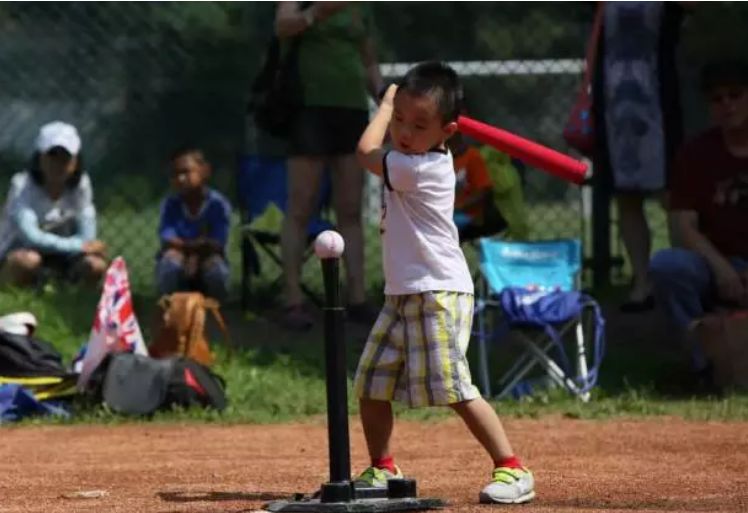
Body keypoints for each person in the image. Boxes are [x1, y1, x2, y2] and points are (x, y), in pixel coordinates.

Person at [353, 62, 534, 504]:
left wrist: (383, 107)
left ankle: (513, 468)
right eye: (399, 121)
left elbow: (363, 151)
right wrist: (395, 108)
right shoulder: (410, 158)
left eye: (419, 125)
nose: (404, 132)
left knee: (453, 389)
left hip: (438, 293)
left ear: (447, 131)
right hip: (401, 294)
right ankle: (382, 469)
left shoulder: (423, 167)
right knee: (371, 384)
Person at [275, 1, 383, 330]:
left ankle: (357, 298)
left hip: (351, 111)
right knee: (300, 207)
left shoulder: (360, 7)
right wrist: (315, 13)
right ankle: (292, 298)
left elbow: (368, 59)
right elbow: (282, 26)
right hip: (308, 110)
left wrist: (386, 100)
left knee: (350, 207)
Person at [649, 60, 748, 385]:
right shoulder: (696, 153)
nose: (727, 105)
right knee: (668, 265)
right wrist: (723, 270)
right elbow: (683, 225)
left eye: (735, 95)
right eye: (717, 99)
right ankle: (706, 365)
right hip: (718, 264)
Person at [593, 1, 686, 312]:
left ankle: (685, 280)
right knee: (626, 195)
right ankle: (642, 282)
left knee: (673, 194)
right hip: (614, 99)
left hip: (660, 98)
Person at [0, 121, 106, 287]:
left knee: (95, 265)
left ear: (76, 161)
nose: (58, 163)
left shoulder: (82, 185)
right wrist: (79, 245)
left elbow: (88, 233)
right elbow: (32, 238)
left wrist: (84, 246)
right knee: (28, 261)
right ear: (40, 158)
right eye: (52, 155)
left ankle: (71, 292)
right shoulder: (21, 186)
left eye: (66, 157)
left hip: (64, 256)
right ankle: (15, 285)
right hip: (21, 252)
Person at [156, 147, 231, 302]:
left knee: (216, 271)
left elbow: (217, 244)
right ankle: (171, 307)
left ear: (205, 171)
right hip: (180, 258)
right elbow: (168, 240)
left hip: (206, 259)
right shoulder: (171, 204)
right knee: (169, 265)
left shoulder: (218, 204)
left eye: (186, 172)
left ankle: (215, 308)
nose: (181, 179)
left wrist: (194, 255)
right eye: (175, 174)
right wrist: (193, 251)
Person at [448, 133, 508, 242]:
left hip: (469, 216)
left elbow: (485, 192)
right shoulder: (442, 160)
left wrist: (459, 208)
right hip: (448, 213)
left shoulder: (472, 156)